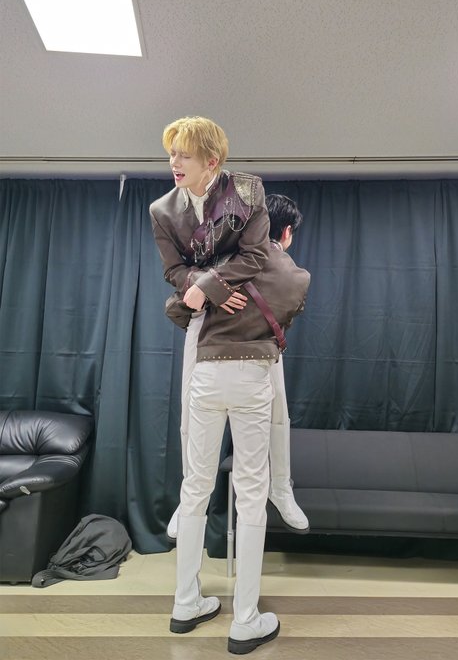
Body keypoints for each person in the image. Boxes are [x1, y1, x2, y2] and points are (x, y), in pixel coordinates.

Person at [149, 116, 308, 539]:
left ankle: (281, 488)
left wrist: (211, 283)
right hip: (208, 317)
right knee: (190, 408)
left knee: (278, 410)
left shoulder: (247, 193)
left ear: (211, 161)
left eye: (184, 155)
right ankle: (190, 498)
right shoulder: (164, 210)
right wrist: (209, 288)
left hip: (255, 327)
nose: (174, 162)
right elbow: (174, 270)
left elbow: (256, 257)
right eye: (172, 154)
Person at [169, 195, 310, 654]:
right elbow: (282, 320)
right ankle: (245, 620)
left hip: (206, 375)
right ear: (286, 232)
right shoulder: (296, 276)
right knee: (251, 495)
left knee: (195, 486)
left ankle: (185, 604)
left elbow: (177, 307)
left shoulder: (217, 262)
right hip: (252, 377)